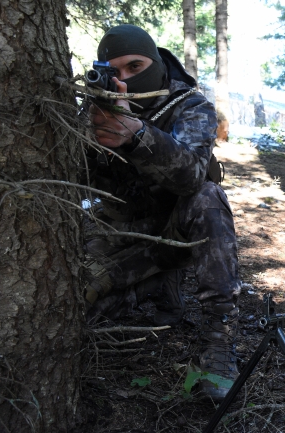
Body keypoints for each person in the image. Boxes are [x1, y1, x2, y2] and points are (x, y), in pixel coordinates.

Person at [82, 24, 240, 401]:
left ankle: (218, 343)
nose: (127, 79)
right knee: (80, 308)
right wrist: (89, 132)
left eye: (136, 66)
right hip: (123, 237)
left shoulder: (189, 105)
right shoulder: (92, 114)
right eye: (115, 72)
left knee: (208, 195)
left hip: (178, 234)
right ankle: (156, 287)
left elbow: (189, 177)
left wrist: (135, 135)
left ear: (155, 61)